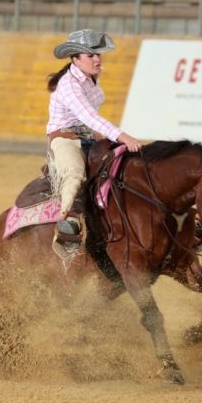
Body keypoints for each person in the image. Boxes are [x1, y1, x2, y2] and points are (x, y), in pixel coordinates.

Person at [46, 28, 141, 251]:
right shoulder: (69, 85)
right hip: (65, 139)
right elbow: (89, 116)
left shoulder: (90, 79)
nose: (97, 59)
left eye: (98, 54)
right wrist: (123, 136)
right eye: (91, 55)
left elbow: (91, 121)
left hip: (89, 138)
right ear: (76, 59)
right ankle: (67, 225)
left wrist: (109, 139)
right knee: (75, 173)